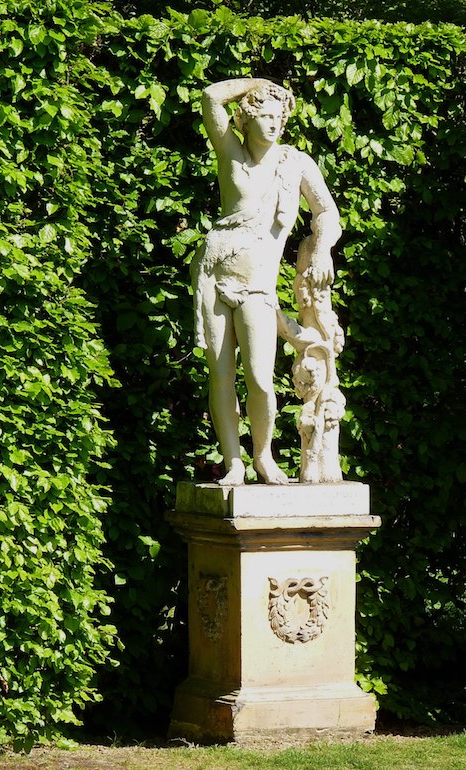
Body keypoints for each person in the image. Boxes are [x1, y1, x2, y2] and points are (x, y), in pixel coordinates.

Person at [191, 78, 342, 486]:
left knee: (259, 377)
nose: (275, 124)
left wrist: (324, 248)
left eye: (280, 117)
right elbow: (210, 96)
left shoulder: (295, 163)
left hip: (258, 285)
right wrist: (259, 83)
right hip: (214, 277)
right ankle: (233, 463)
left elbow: (326, 213)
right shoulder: (230, 152)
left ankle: (263, 456)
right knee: (221, 375)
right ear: (246, 118)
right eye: (266, 116)